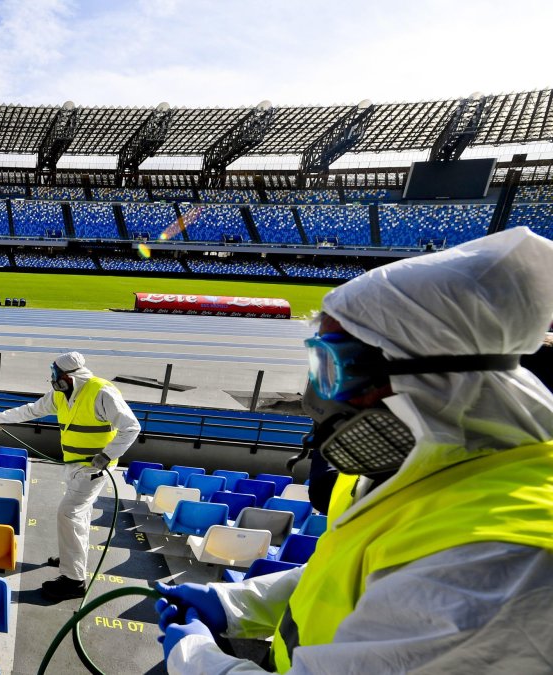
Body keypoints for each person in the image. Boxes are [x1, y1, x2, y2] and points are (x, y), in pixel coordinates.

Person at [157, 227, 553, 673]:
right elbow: (349, 576)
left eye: (332, 367)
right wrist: (236, 604)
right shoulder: (411, 473)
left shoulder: (503, 559)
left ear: (426, 378)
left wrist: (194, 660)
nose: (315, 400)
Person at [0, 351, 140, 601]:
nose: (52, 378)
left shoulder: (102, 392)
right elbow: (32, 410)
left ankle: (74, 581)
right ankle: (71, 559)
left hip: (94, 468)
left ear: (68, 376)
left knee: (68, 513)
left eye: (55, 373)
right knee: (80, 515)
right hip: (73, 465)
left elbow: (131, 427)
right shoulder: (60, 394)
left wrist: (106, 455)